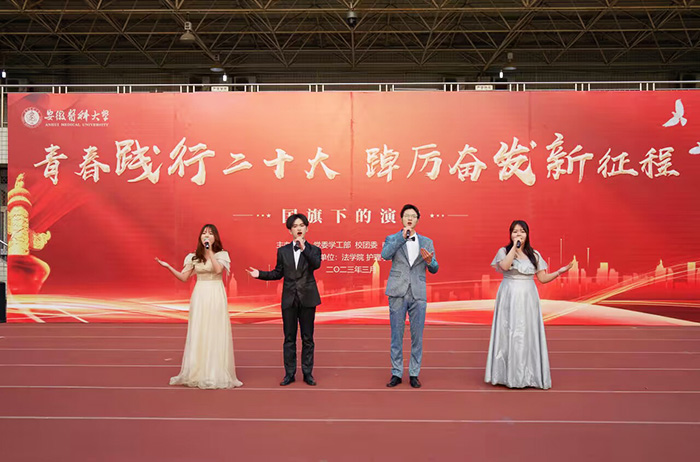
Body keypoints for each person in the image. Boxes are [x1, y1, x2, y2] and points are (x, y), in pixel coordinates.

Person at [485, 219, 573, 389]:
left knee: (527, 331)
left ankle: (528, 374)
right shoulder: (504, 251)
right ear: (510, 234)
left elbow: (542, 278)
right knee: (509, 330)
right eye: (515, 231)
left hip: (528, 296)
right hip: (509, 295)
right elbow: (505, 266)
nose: (518, 234)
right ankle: (507, 375)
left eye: (522, 231)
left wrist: (560, 271)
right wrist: (515, 248)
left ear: (527, 234)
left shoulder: (534, 255)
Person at [155, 224, 243, 389]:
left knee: (214, 330)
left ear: (215, 237)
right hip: (200, 295)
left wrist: (209, 252)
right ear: (200, 237)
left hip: (215, 294)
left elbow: (218, 270)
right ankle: (197, 371)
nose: (206, 236)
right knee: (199, 330)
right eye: (204, 233)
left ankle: (214, 371)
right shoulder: (193, 257)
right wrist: (168, 267)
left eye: (210, 233)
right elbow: (184, 278)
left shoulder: (222, 255)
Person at [247, 213, 322, 386]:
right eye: (295, 226)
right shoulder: (283, 251)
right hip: (289, 299)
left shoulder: (314, 250)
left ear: (307, 228)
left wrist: (303, 248)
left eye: (301, 225)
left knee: (307, 338)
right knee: (289, 338)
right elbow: (277, 273)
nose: (298, 228)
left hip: (308, 298)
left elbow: (316, 264)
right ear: (290, 231)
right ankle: (289, 373)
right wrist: (259, 274)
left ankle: (308, 373)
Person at [381, 204, 438, 389]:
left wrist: (430, 261)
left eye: (413, 216)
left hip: (418, 292)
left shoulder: (427, 242)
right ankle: (396, 372)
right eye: (407, 216)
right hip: (397, 291)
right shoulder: (392, 238)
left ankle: (414, 373)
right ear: (401, 219)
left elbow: (435, 268)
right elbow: (385, 255)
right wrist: (402, 237)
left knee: (417, 336)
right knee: (396, 335)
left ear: (418, 220)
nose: (410, 218)